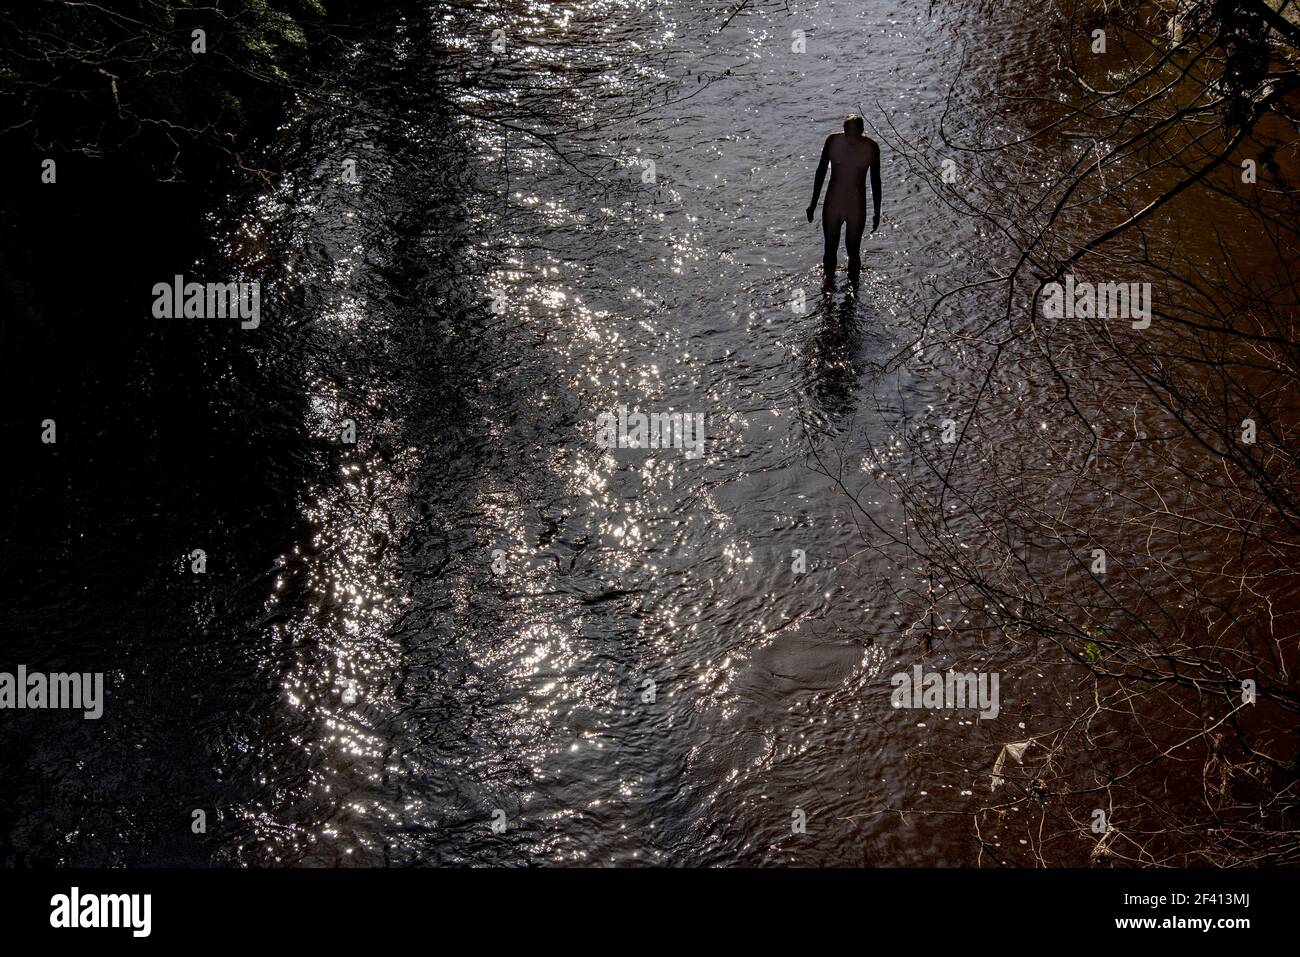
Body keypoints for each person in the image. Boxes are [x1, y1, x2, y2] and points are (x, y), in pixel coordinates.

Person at [806, 114, 881, 284]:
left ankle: (853, 291)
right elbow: (821, 172)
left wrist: (877, 211)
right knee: (830, 249)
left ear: (862, 132)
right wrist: (813, 204)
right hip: (833, 203)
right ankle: (827, 290)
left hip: (856, 205)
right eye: (848, 132)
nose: (851, 138)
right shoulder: (833, 141)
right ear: (844, 130)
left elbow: (875, 180)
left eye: (855, 133)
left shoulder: (871, 148)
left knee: (853, 251)